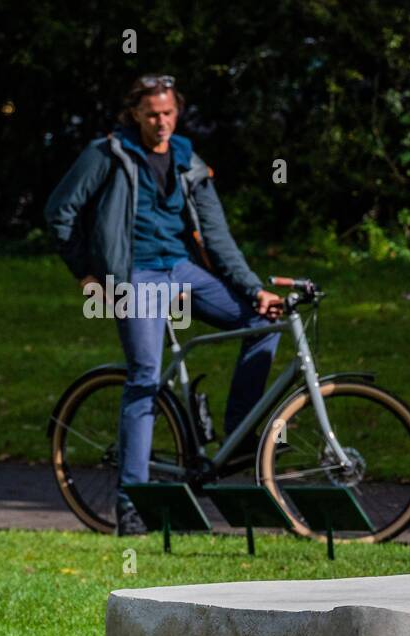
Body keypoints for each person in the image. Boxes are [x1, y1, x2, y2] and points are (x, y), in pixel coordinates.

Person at [44, 75, 283, 535]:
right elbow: (60, 211)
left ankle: (236, 439)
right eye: (152, 114)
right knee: (146, 378)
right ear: (135, 112)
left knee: (261, 321)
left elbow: (217, 236)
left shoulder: (187, 159)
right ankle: (131, 503)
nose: (161, 122)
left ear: (178, 112)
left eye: (168, 113)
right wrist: (87, 274)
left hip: (180, 269)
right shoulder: (108, 154)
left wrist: (254, 288)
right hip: (136, 276)